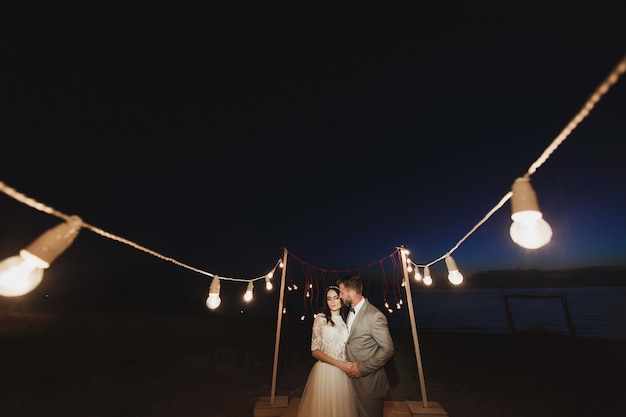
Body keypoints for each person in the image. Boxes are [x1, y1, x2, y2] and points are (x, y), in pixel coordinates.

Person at [296, 286, 359, 417]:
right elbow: (314, 350)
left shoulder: (346, 319)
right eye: (329, 299)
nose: (333, 302)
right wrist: (338, 363)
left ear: (341, 299)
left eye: (336, 298)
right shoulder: (321, 318)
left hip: (343, 372)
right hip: (325, 371)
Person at [338, 274, 395, 417]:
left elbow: (388, 349)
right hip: (350, 383)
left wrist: (361, 369)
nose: (340, 296)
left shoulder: (374, 315)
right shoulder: (348, 311)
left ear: (351, 293)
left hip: (369, 385)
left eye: (341, 292)